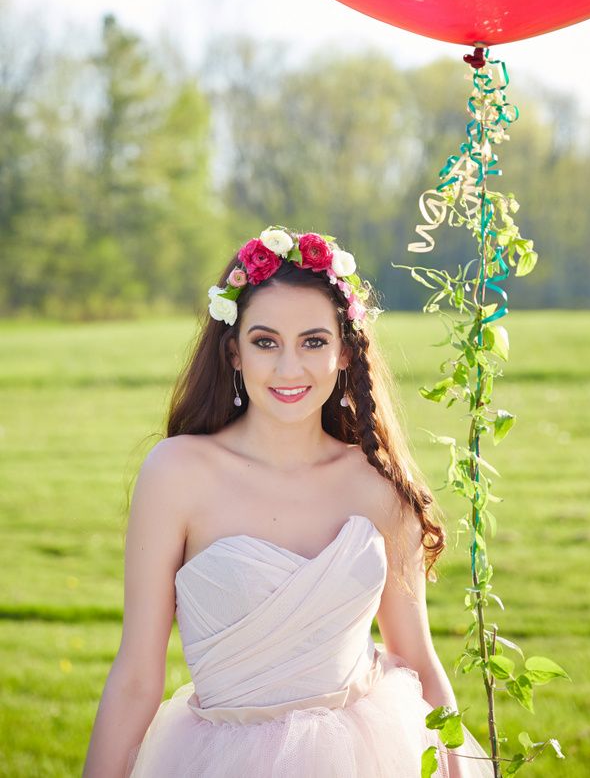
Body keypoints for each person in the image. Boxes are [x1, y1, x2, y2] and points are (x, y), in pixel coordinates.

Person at [83, 226, 495, 778]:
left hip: (371, 753)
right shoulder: (177, 474)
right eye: (266, 341)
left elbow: (417, 659)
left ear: (346, 351)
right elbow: (137, 675)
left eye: (314, 341)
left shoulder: (377, 485)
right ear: (234, 352)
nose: (289, 368)